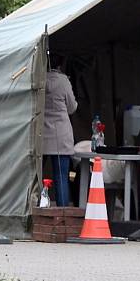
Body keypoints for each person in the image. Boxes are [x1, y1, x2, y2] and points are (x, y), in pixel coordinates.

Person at [43, 53, 78, 207]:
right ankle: (62, 213)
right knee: (61, 176)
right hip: (61, 134)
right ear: (60, 65)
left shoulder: (39, 78)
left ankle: (37, 208)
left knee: (37, 177)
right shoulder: (63, 81)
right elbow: (72, 107)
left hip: (41, 134)